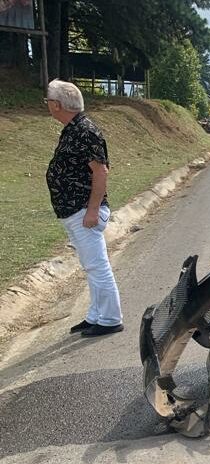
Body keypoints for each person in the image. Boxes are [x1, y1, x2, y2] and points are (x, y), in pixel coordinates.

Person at [44, 80, 123, 336]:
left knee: (98, 266)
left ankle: (111, 319)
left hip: (83, 210)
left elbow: (100, 172)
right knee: (91, 267)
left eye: (48, 100)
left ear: (56, 105)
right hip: (75, 210)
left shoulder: (85, 130)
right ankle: (95, 315)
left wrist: (92, 210)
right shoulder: (72, 128)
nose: (47, 104)